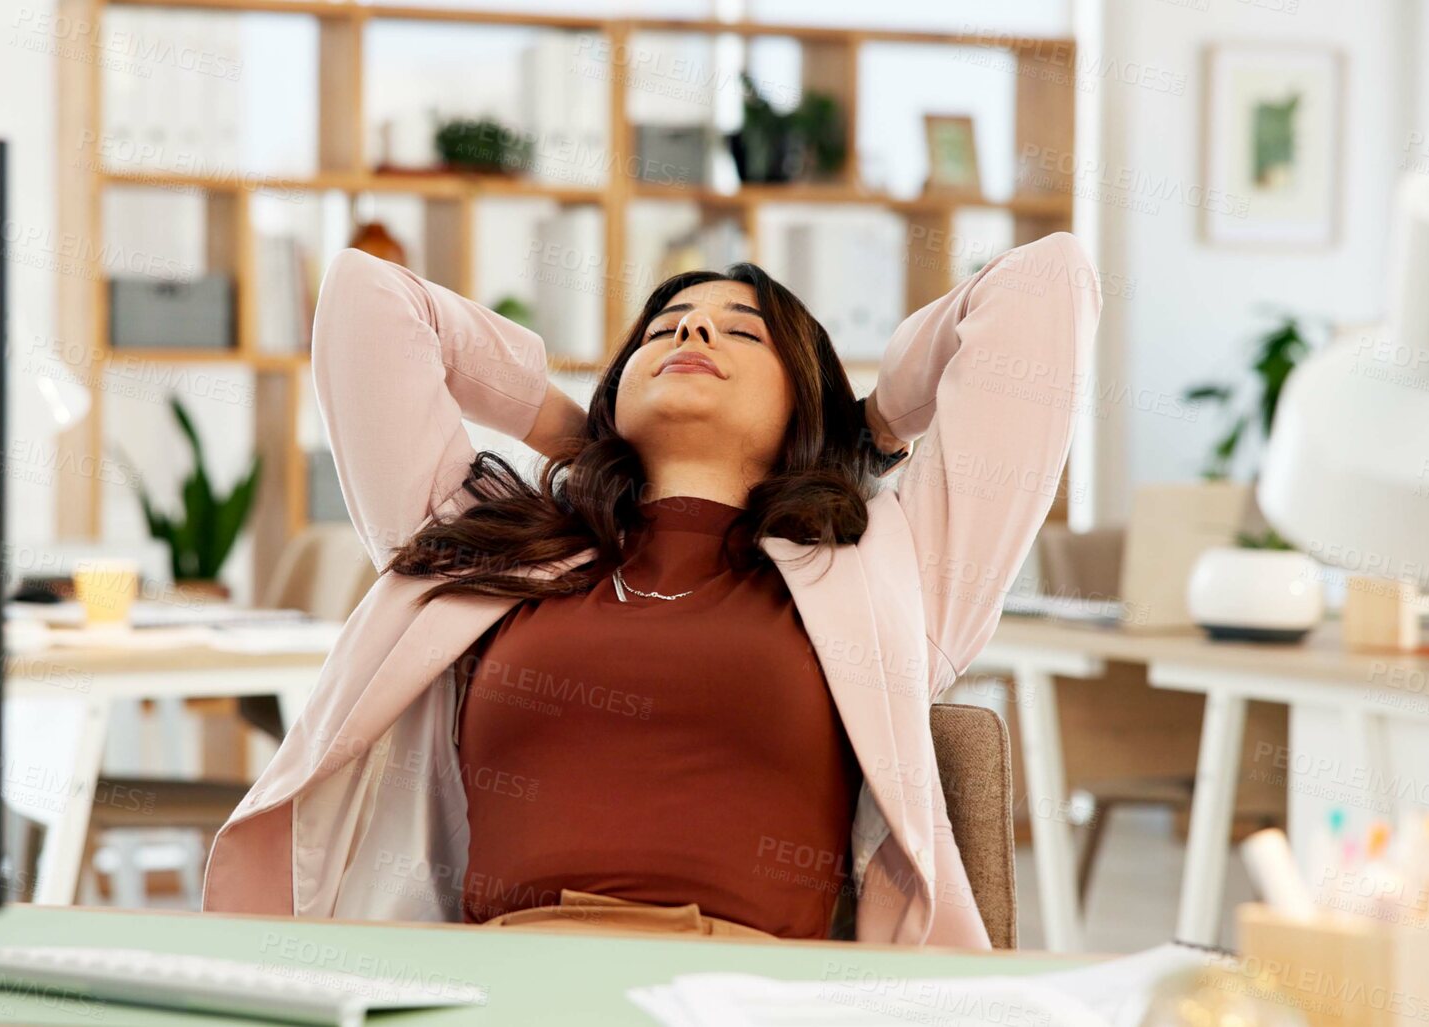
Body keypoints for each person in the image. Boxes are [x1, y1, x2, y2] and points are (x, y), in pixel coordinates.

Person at [203, 233, 1100, 947]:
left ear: (805, 401)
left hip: (741, 994)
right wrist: (579, 432)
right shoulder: (486, 540)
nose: (692, 333)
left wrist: (859, 431)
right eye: (663, 328)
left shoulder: (888, 566)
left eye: (742, 331)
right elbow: (368, 297)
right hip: (502, 979)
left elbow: (1044, 285)